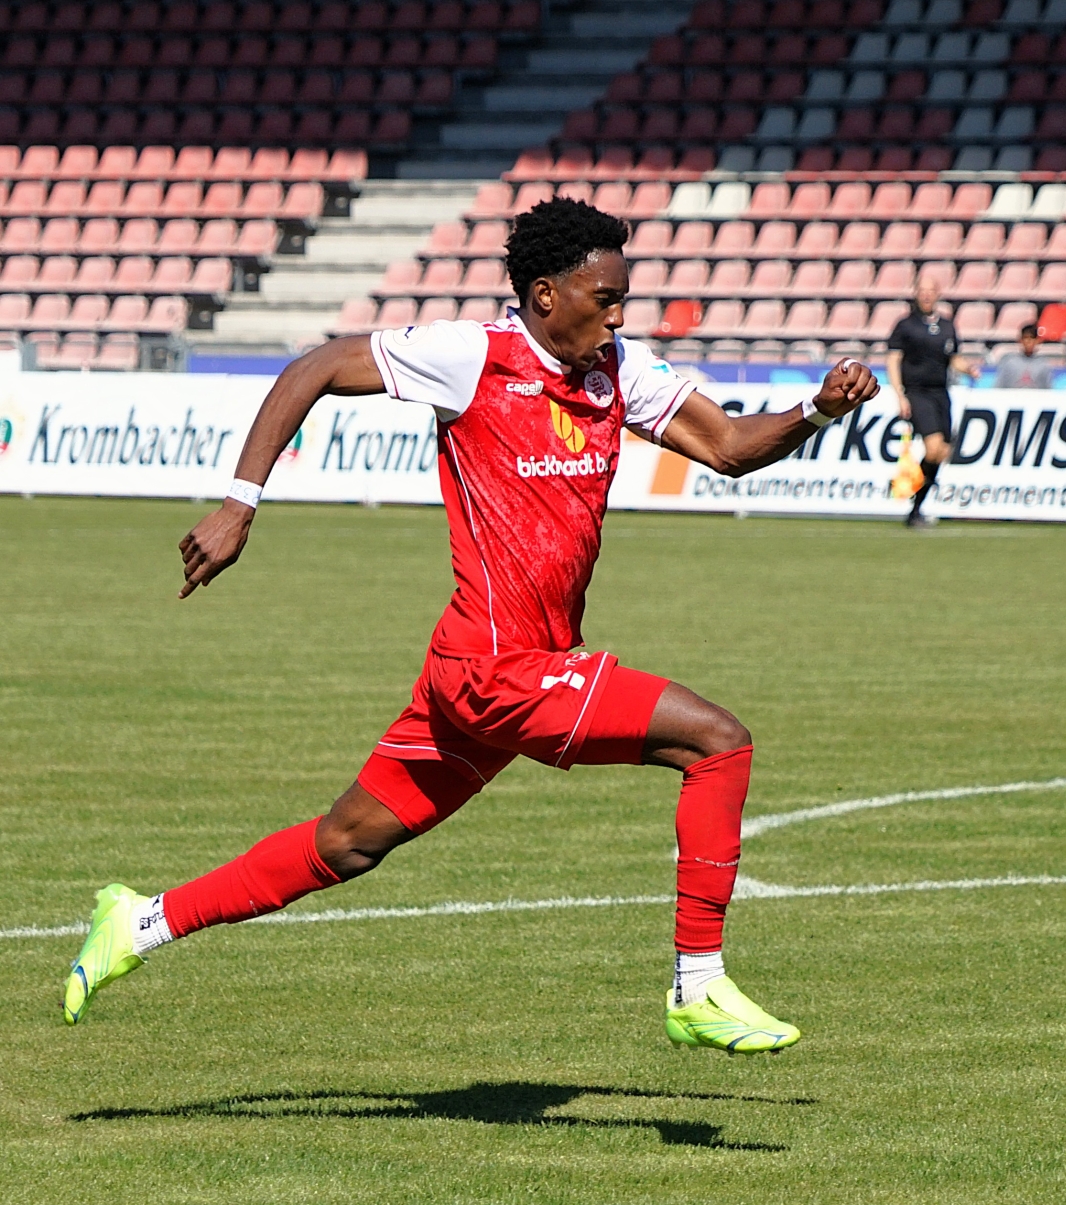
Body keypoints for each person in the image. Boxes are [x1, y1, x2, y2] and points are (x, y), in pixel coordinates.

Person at [61, 198, 880, 1054]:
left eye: (623, 299)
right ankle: (698, 986)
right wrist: (240, 504)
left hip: (488, 673)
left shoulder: (617, 371)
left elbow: (730, 447)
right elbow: (314, 367)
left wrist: (817, 411)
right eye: (604, 298)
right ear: (543, 294)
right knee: (718, 742)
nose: (618, 315)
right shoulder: (470, 358)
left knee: (346, 844)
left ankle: (138, 920)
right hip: (499, 674)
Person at [886, 272, 979, 528]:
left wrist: (968, 369)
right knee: (933, 446)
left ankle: (916, 507)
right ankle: (910, 494)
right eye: (922, 290)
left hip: (941, 392)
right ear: (916, 294)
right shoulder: (905, 325)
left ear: (937, 294)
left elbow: (953, 358)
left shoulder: (947, 325)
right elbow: (893, 360)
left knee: (942, 452)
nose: (926, 295)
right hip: (917, 392)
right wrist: (900, 395)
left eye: (930, 290)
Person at [993, 323, 1054, 389]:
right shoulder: (1009, 362)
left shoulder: (1043, 364)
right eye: (1026, 338)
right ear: (1020, 340)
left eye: (1032, 338)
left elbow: (1048, 390)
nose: (1028, 341)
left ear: (1037, 341)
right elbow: (999, 387)